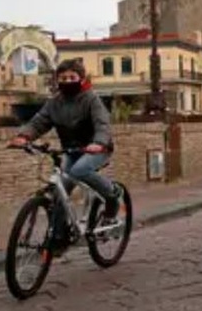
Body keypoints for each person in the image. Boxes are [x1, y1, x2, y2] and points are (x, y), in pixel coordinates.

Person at [8, 59, 121, 253]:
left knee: (79, 170)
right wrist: (24, 136)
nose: (67, 81)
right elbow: (39, 122)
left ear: (81, 79)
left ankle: (112, 194)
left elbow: (102, 123)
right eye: (63, 78)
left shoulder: (91, 99)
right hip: (71, 149)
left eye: (72, 77)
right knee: (61, 190)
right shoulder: (54, 103)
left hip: (97, 148)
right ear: (57, 80)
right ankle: (59, 237)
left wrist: (99, 143)